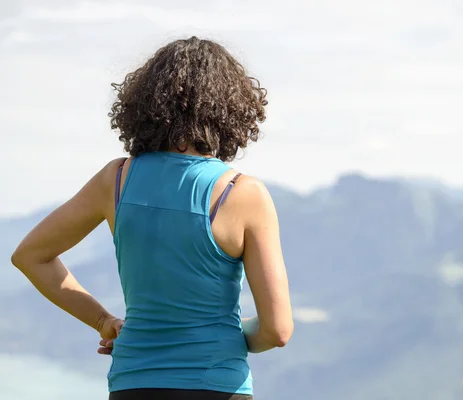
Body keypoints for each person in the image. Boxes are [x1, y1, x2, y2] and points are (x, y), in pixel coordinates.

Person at [11, 37, 294, 400]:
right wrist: (232, 338)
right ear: (230, 110)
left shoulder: (115, 180)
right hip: (217, 385)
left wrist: (102, 321)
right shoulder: (242, 193)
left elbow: (29, 256)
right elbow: (278, 330)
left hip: (133, 384)